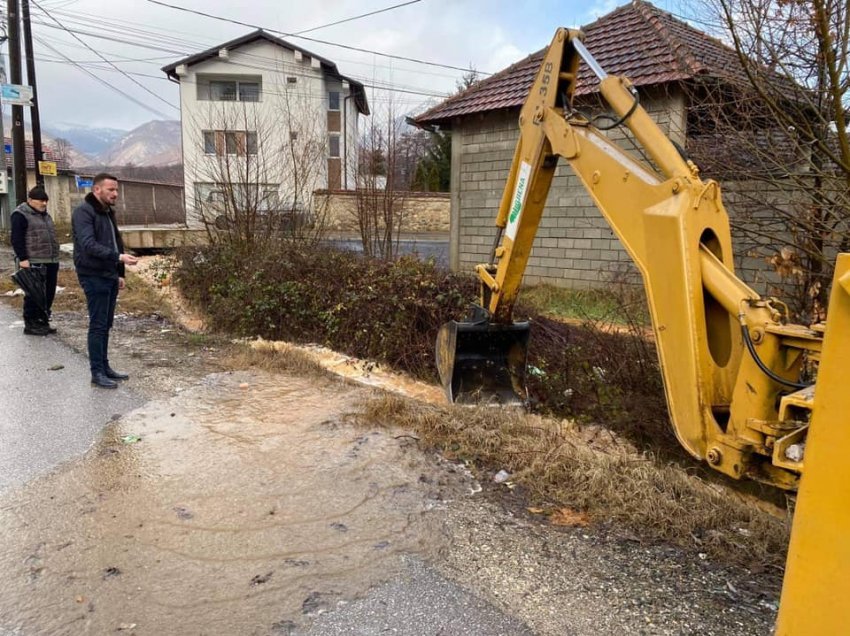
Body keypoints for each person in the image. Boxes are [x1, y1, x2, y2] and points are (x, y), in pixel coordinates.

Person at [72, 173, 138, 389]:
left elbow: (115, 242)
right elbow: (88, 244)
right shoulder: (84, 212)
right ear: (96, 190)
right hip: (93, 274)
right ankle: (97, 372)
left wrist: (120, 273)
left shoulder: (107, 212)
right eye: (111, 190)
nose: (115, 194)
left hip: (109, 274)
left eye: (116, 190)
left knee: (106, 324)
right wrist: (118, 258)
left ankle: (105, 367)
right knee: (98, 324)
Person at [10, 186, 61, 336]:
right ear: (30, 200)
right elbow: (16, 238)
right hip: (33, 260)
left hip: (50, 259)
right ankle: (31, 324)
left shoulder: (45, 215)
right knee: (33, 293)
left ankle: (42, 321)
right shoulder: (20, 215)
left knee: (48, 293)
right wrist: (23, 258)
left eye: (45, 201)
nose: (44, 204)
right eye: (41, 201)